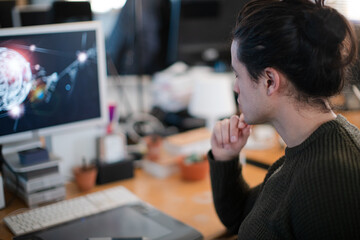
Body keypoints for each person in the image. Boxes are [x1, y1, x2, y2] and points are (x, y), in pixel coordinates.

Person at [209, 0, 360, 239]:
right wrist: (225, 157)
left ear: (270, 80)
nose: (236, 87)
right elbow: (242, 217)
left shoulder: (331, 178)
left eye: (238, 74)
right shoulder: (302, 151)